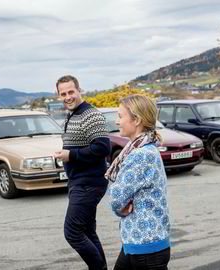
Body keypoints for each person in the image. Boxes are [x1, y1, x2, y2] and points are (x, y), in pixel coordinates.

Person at [105, 94, 171, 270]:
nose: (117, 121)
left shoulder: (140, 155)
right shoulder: (140, 148)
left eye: (120, 116)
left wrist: (120, 207)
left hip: (146, 247)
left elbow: (116, 197)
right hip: (138, 242)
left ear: (137, 120)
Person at [54, 75, 110, 270]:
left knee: (73, 232)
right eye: (63, 94)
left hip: (89, 184)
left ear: (79, 90)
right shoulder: (73, 114)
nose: (68, 96)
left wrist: (71, 155)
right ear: (58, 95)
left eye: (71, 92)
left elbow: (103, 148)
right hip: (79, 182)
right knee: (87, 231)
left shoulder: (90, 114)